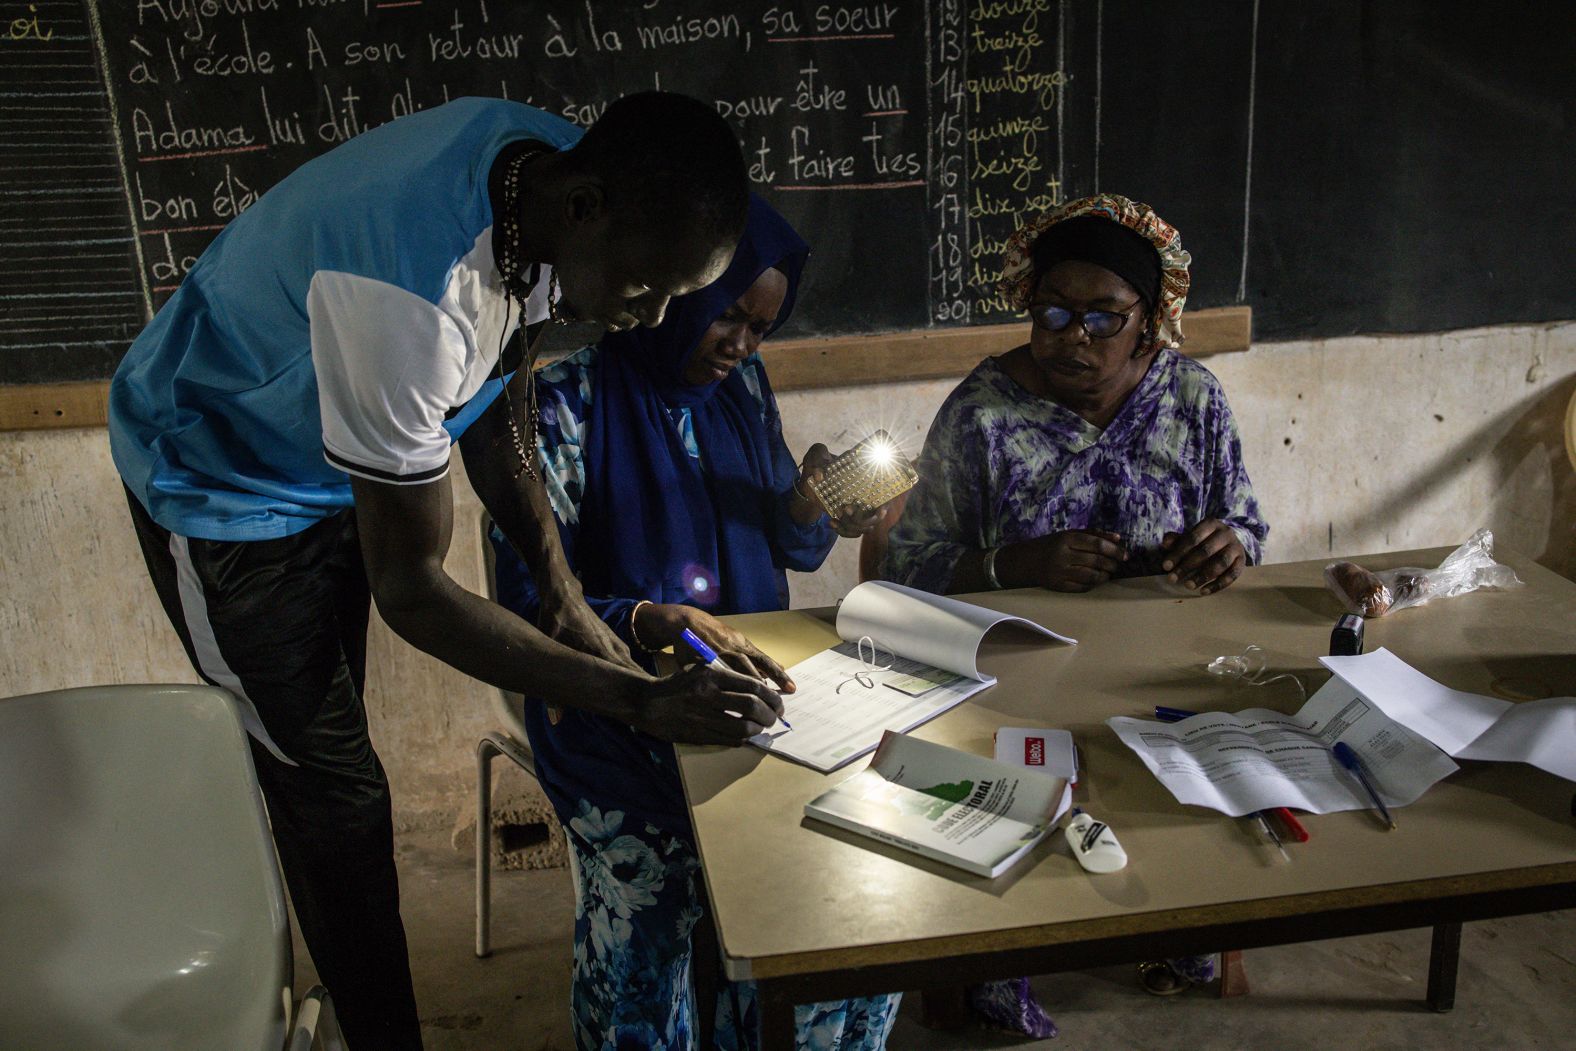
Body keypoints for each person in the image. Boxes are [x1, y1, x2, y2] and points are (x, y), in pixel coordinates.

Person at [108, 93, 778, 1050]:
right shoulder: (410, 298)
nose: (654, 316)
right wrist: (635, 703)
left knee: (342, 766)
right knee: (332, 795)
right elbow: (413, 590)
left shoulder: (540, 168)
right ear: (586, 208)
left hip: (334, 458)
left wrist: (565, 600)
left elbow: (508, 381)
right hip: (221, 482)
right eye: (650, 286)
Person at [490, 196, 899, 1050]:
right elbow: (526, 606)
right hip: (617, 713)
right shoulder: (559, 406)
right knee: (650, 905)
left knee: (833, 896)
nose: (741, 345)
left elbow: (788, 538)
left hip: (753, 695)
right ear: (685, 294)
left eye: (760, 328)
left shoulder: (741, 390)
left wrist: (811, 501)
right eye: (730, 317)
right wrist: (647, 619)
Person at [882, 194, 1268, 1029]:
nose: (1073, 336)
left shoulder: (1192, 401)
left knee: (1180, 813)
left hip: (1159, 671)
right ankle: (1003, 960)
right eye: (1053, 312)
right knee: (1015, 809)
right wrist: (1012, 563)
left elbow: (1249, 525)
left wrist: (1229, 541)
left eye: (1103, 316)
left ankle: (1168, 925)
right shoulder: (981, 413)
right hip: (1016, 682)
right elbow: (907, 566)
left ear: (1149, 319)